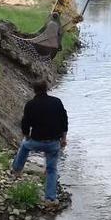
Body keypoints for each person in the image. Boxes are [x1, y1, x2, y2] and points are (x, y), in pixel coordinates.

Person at [12, 78, 68, 206]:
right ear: (47, 88)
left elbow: (25, 123)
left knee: (24, 145)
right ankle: (50, 198)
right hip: (54, 143)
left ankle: (16, 170)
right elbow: (64, 121)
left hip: (36, 141)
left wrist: (26, 135)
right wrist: (63, 139)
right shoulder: (57, 102)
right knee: (52, 170)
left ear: (34, 90)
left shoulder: (30, 105)